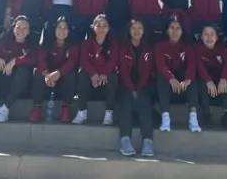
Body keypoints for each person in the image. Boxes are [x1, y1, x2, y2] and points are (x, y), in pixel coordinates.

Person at [0, 16, 37, 123]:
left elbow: (33, 59)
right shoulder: (4, 39)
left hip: (20, 86)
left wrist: (16, 60)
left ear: (29, 31)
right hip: (2, 80)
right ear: (13, 28)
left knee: (24, 69)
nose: (21, 31)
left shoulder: (32, 43)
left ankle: (5, 108)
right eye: (18, 27)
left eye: (25, 28)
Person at [154, 14, 201, 132]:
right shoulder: (160, 46)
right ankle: (165, 117)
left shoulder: (188, 48)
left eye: (178, 28)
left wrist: (187, 80)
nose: (175, 31)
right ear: (167, 30)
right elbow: (161, 65)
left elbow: (192, 66)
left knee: (193, 80)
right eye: (172, 28)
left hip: (183, 87)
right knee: (161, 77)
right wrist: (171, 78)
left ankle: (193, 118)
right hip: (168, 86)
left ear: (182, 31)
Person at [117, 18, 156, 157]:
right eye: (133, 28)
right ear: (129, 30)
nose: (136, 31)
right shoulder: (122, 47)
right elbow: (122, 71)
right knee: (125, 99)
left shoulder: (149, 49)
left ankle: (147, 141)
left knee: (144, 100)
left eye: (140, 28)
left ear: (144, 31)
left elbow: (147, 72)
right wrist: (132, 89)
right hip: (126, 85)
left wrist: (138, 89)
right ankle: (125, 140)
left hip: (143, 85)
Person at [29, 17, 79, 123]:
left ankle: (66, 108)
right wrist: (47, 75)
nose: (62, 30)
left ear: (69, 30)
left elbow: (71, 63)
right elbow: (41, 61)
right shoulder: (47, 43)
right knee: (38, 73)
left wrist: (58, 73)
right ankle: (37, 108)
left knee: (71, 74)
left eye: (65, 28)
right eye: (59, 27)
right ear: (54, 29)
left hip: (63, 82)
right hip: (47, 81)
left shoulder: (73, 45)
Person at [75, 14, 119, 125]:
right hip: (91, 80)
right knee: (82, 74)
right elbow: (84, 61)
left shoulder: (113, 43)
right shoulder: (86, 43)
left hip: (105, 79)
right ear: (93, 27)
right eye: (98, 25)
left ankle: (109, 112)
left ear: (109, 28)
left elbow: (113, 61)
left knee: (113, 76)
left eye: (105, 26)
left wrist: (104, 73)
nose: (101, 29)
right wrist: (93, 73)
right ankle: (82, 111)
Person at [195, 24, 227, 129]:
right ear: (201, 37)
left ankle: (226, 114)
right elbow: (199, 67)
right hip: (206, 86)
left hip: (219, 86)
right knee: (199, 81)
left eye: (212, 34)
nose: (209, 38)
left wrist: (224, 79)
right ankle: (206, 114)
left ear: (217, 37)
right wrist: (208, 81)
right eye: (206, 34)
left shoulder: (222, 49)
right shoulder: (197, 50)